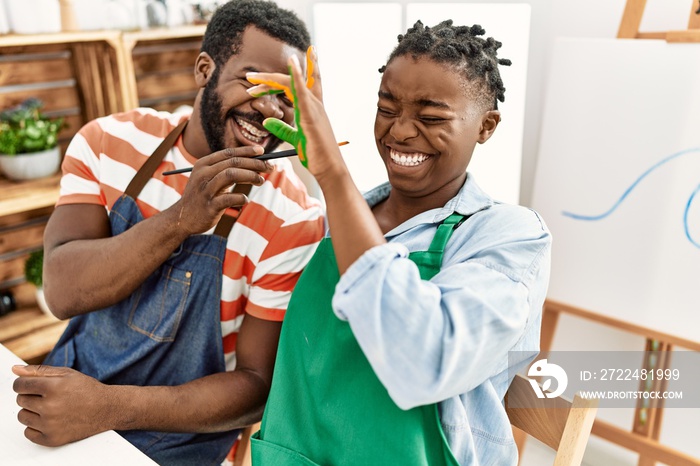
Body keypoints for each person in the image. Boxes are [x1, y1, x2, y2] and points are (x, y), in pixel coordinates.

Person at [11, 1, 323, 465]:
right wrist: (181, 218)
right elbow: (61, 289)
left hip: (180, 441)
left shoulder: (293, 217)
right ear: (204, 69)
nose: (267, 108)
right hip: (63, 400)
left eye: (286, 97)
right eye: (255, 81)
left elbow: (256, 388)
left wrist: (107, 407)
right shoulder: (108, 142)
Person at [245, 19, 552, 465]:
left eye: (430, 117)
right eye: (387, 108)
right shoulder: (351, 216)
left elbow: (426, 358)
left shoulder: (508, 235)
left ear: (486, 127)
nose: (401, 131)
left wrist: (333, 174)